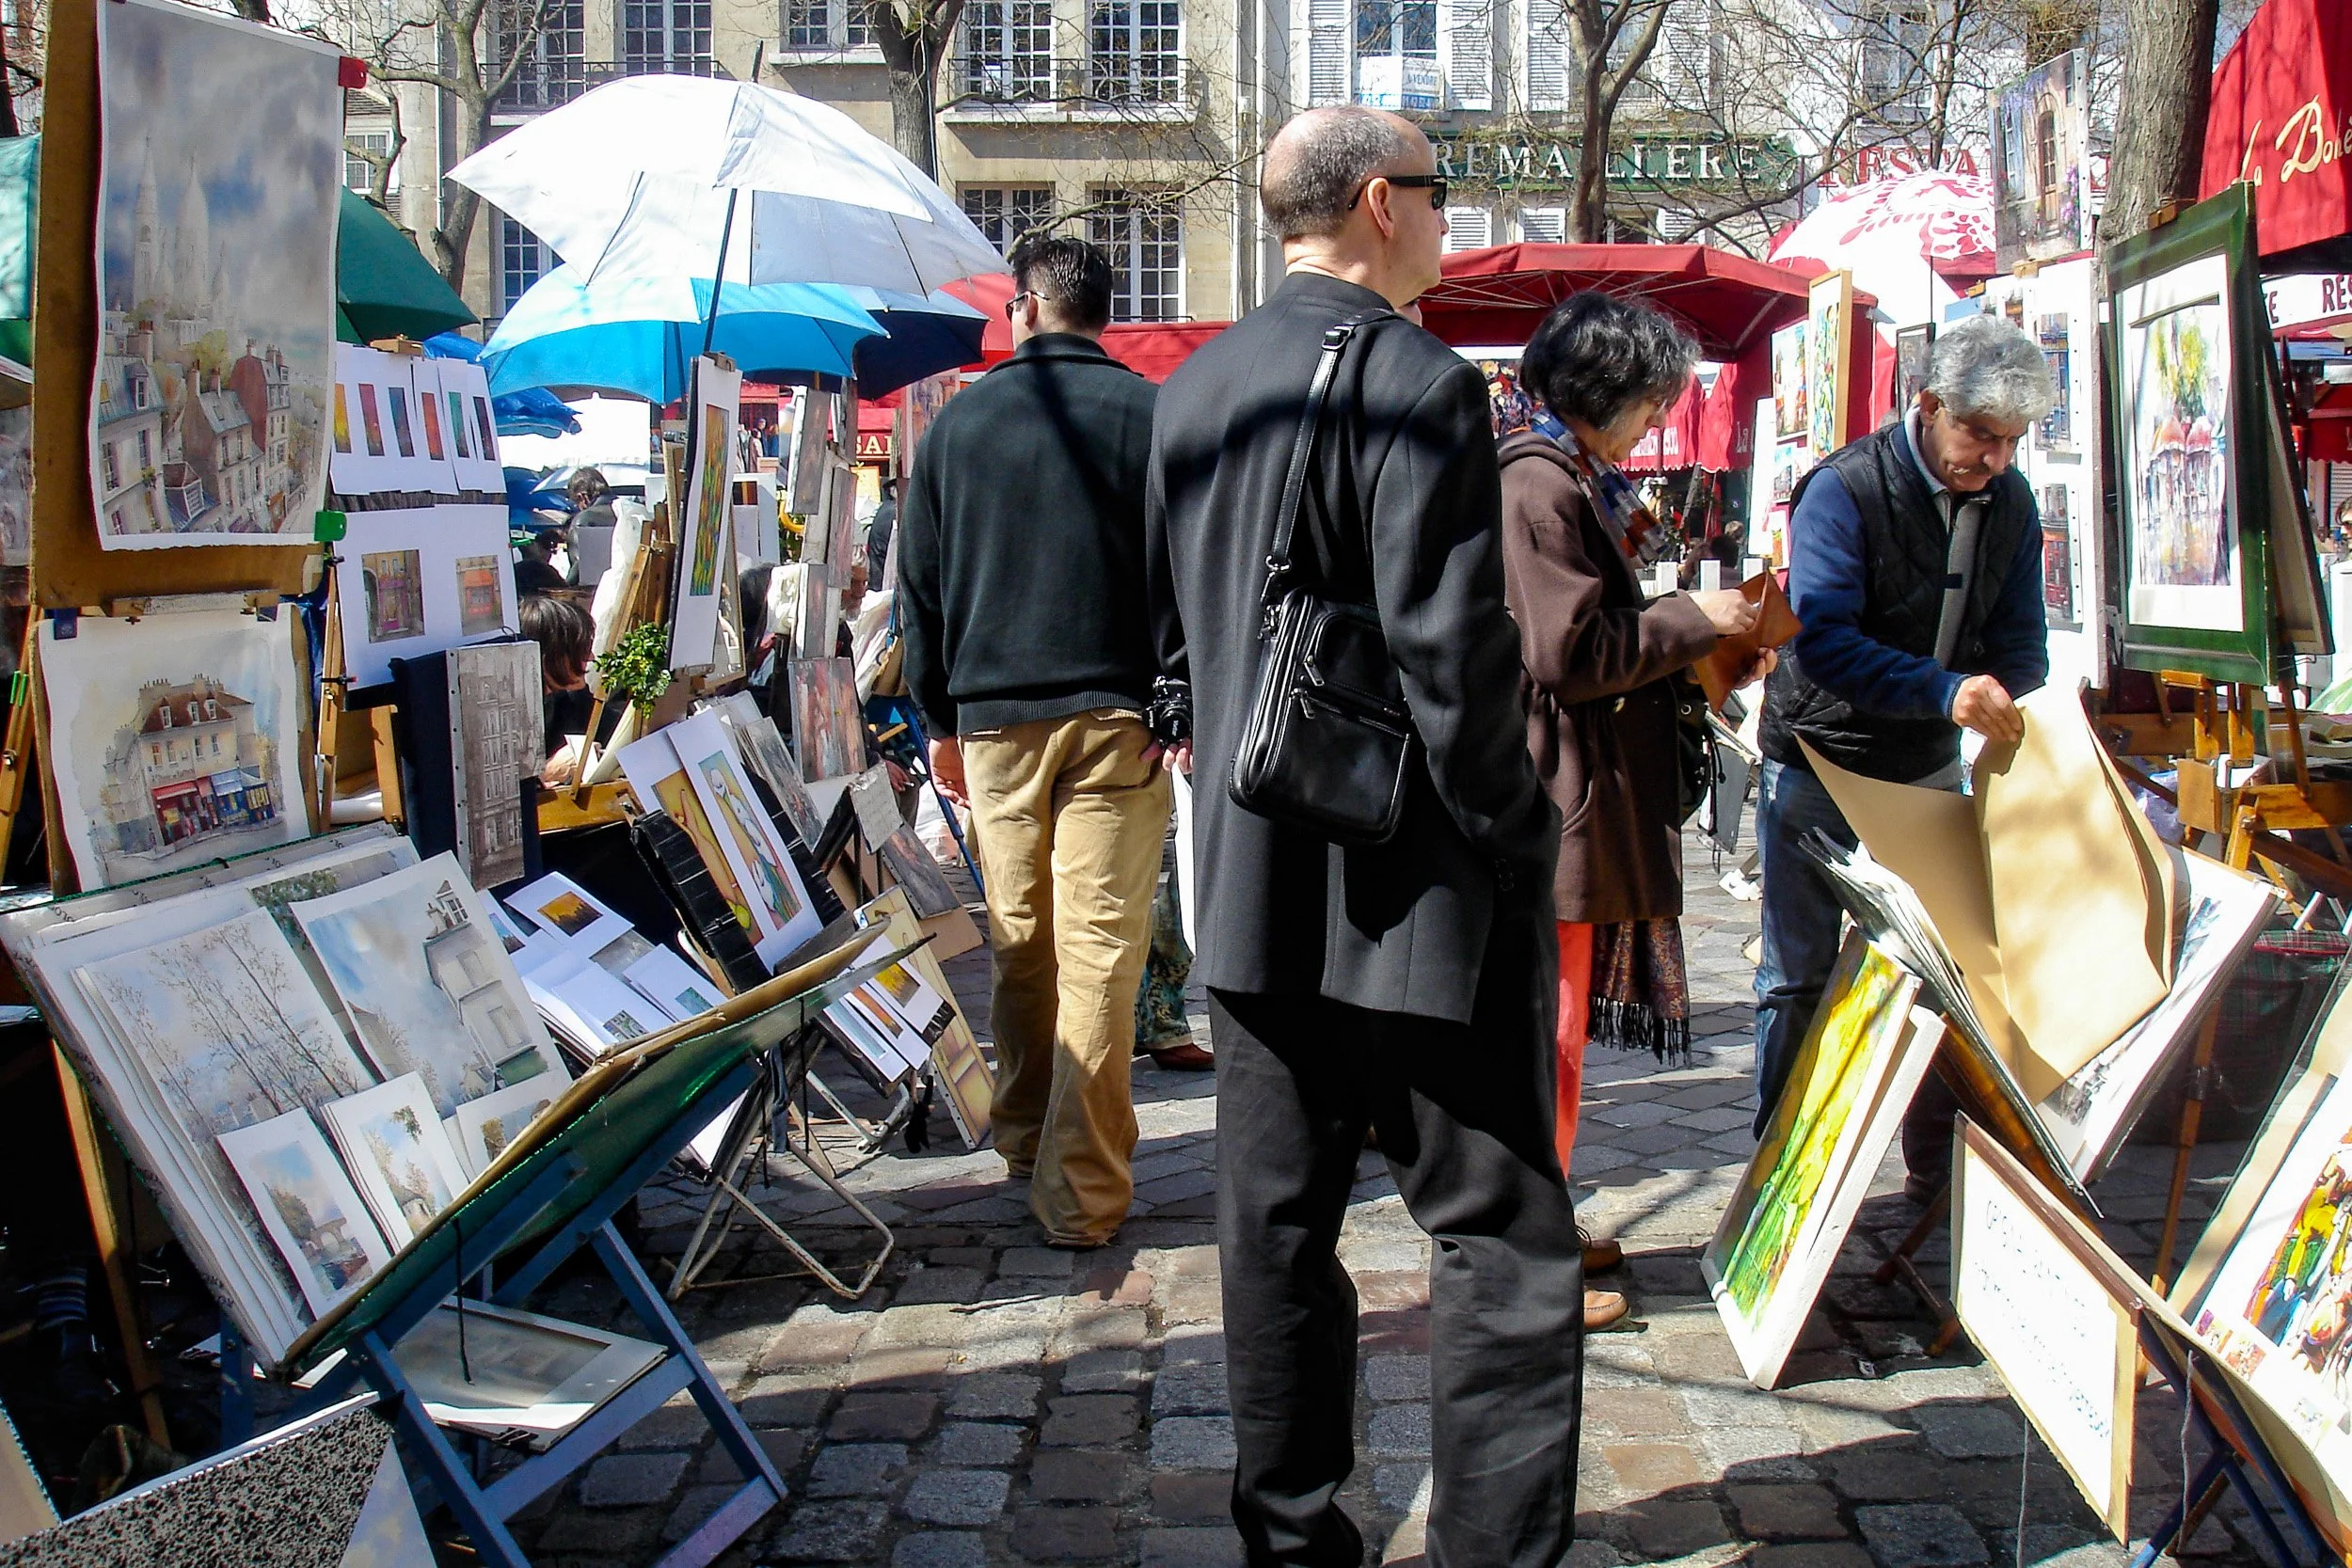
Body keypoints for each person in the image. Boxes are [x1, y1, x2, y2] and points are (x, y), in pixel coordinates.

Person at [1147, 105, 1581, 1567]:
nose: (1449, 224)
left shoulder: (1197, 383)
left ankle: (1288, 1530)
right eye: (1444, 198)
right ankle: (1497, 1548)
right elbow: (1453, 656)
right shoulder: (1421, 382)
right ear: (1385, 201)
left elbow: (1172, 642)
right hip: (1418, 895)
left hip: (1255, 881)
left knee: (1274, 1224)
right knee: (1501, 1233)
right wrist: (1520, 829)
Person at [898, 234, 1170, 1250]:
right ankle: (1081, 1190)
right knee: (1098, 952)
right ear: (1105, 311)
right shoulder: (1151, 414)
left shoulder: (960, 426)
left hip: (998, 718)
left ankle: (1022, 1132)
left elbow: (916, 591)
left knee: (1022, 939)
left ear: (1024, 308)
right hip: (1120, 717)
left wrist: (937, 717)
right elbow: (1189, 570)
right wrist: (1175, 700)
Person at [1500, 292, 1763, 1335]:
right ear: (1606, 394)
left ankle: (1543, 1223)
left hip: (1577, 791)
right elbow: (1564, 654)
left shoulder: (1557, 477)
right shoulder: (1538, 485)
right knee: (1548, 1037)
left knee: (1554, 1033)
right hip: (1557, 795)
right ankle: (1527, 1258)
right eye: (1652, 402)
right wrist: (1688, 618)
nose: (1657, 422)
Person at [1752, 312, 2056, 1193]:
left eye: (2012, 442)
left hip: (1924, 765)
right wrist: (1944, 690)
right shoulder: (1845, 490)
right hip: (1821, 759)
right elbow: (1822, 639)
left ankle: (1937, 1172)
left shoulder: (2012, 503)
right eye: (1981, 435)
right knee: (1795, 980)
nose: (1995, 459)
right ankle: (1780, 1179)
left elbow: (2020, 639)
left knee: (1941, 975)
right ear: (1929, 406)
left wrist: (2016, 702)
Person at [518, 591, 596, 780]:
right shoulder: (511, 716)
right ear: (549, 657)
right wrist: (548, 772)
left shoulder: (565, 699)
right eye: (579, 650)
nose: (590, 657)